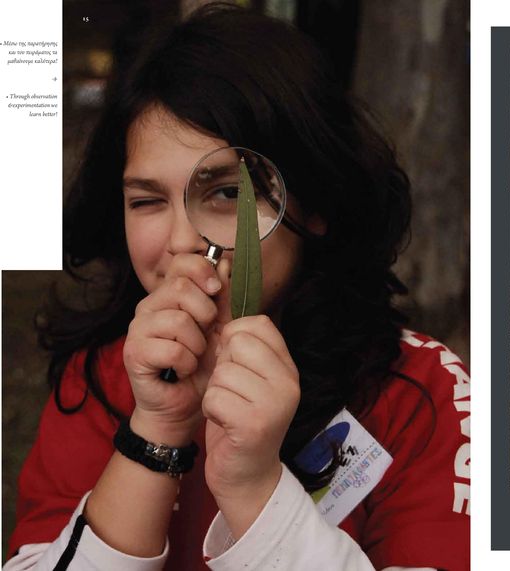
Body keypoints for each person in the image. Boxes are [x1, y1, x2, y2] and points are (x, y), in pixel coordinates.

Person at [7, 6, 469, 570]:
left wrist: (256, 489)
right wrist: (153, 434)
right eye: (146, 201)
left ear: (315, 201)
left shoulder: (421, 394)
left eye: (228, 193)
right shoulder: (100, 381)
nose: (181, 240)